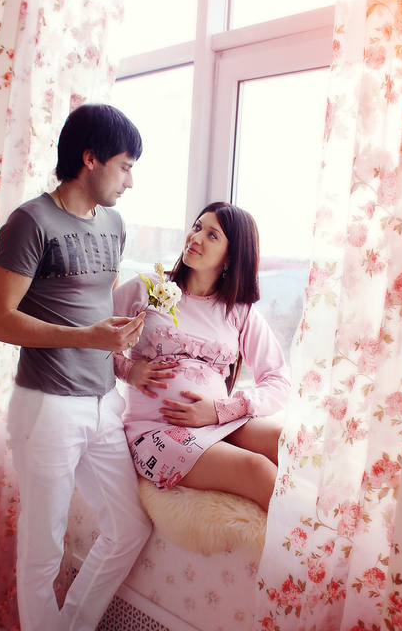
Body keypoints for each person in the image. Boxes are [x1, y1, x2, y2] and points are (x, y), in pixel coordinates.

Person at [0, 104, 152, 631]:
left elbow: (90, 307)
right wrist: (85, 338)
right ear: (90, 158)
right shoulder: (31, 222)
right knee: (43, 547)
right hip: (47, 406)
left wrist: (120, 347)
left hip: (103, 401)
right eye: (124, 166)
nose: (130, 179)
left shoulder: (115, 224)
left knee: (128, 527)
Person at [113, 202, 291, 511]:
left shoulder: (239, 312)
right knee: (258, 469)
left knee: (290, 443)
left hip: (217, 423)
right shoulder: (148, 287)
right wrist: (128, 369)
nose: (195, 237)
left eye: (212, 235)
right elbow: (86, 340)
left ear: (231, 256)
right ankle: (306, 543)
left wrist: (222, 410)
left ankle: (338, 530)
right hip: (156, 431)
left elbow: (278, 381)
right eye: (197, 227)